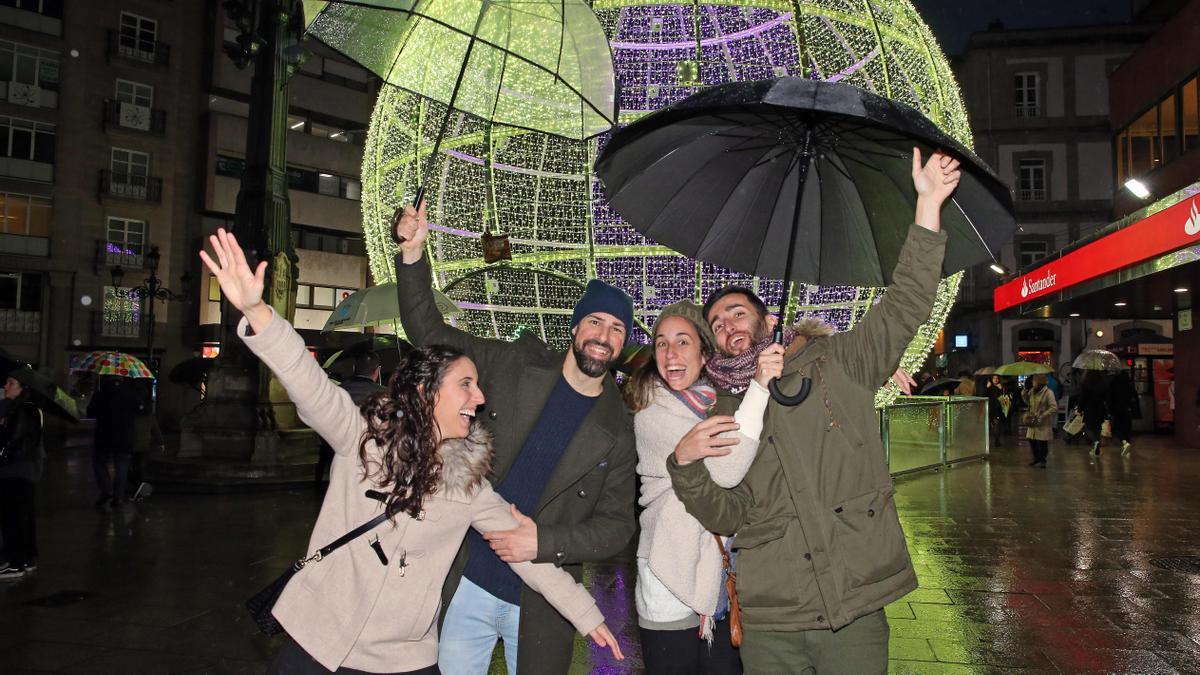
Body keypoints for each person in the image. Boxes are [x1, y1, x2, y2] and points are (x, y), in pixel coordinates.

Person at [199, 229, 622, 674]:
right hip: (321, 639)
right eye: (466, 385)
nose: (479, 398)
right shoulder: (364, 439)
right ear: (426, 392)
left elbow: (526, 555)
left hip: (404, 658)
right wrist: (257, 312)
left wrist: (587, 614)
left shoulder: (470, 484)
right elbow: (310, 385)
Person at [664, 148, 961, 672]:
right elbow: (726, 513)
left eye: (738, 311)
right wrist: (684, 468)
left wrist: (929, 204)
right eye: (717, 322)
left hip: (853, 603)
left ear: (768, 319)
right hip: (771, 615)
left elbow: (906, 305)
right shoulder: (723, 411)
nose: (729, 324)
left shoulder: (839, 362)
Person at [393, 203, 637, 675]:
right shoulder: (512, 364)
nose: (603, 336)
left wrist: (543, 541)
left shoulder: (618, 429)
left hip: (543, 597)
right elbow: (429, 333)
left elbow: (616, 526)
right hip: (465, 577)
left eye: (617, 328)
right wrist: (414, 255)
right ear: (575, 327)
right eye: (595, 322)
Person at [624, 300, 764, 674]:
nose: (670, 352)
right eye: (661, 343)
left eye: (682, 341)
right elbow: (729, 469)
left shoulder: (716, 403)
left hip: (715, 576)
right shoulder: (651, 410)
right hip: (670, 576)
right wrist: (761, 388)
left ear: (705, 354)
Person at [0, 367, 46, 581]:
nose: (5, 386)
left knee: (13, 516)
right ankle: (26, 558)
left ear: (22, 389)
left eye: (10, 383)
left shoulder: (21, 410)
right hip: (25, 469)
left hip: (16, 469)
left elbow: (13, 442)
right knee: (23, 514)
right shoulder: (27, 409)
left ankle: (15, 561)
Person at [315, 351, 385, 485]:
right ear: (377, 371)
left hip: (338, 446)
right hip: (372, 451)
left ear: (354, 368)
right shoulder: (384, 395)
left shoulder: (338, 391)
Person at [87, 375, 144, 509]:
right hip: (124, 437)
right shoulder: (131, 395)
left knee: (99, 464)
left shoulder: (100, 395)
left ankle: (106, 490)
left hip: (103, 437)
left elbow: (90, 413)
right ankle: (118, 498)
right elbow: (142, 411)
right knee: (122, 468)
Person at [1023, 374, 1057, 467]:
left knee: (1042, 441)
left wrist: (1043, 415)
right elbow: (1028, 402)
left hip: (1043, 422)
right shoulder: (1031, 391)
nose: (1032, 383)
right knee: (1031, 439)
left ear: (1039, 382)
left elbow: (1053, 407)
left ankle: (1042, 460)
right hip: (1032, 420)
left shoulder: (1048, 393)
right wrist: (1024, 394)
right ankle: (1036, 458)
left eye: (1034, 381)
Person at [1076, 370, 1109, 457]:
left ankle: (1095, 442)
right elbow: (1106, 397)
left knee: (1088, 427)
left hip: (1089, 408)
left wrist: (1079, 409)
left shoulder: (1086, 384)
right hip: (1100, 408)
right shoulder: (1103, 384)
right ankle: (1096, 445)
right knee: (1098, 428)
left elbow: (1082, 398)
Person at [1107, 370, 1137, 456]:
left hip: (1117, 409)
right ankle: (1127, 442)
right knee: (1126, 427)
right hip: (1127, 410)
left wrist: (1110, 409)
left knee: (1118, 427)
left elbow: (1110, 398)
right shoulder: (1129, 385)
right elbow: (1134, 397)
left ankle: (1124, 442)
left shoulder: (1113, 384)